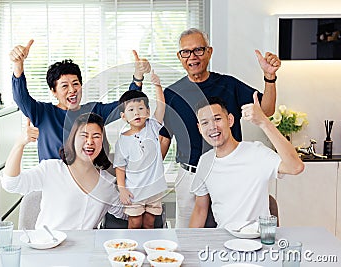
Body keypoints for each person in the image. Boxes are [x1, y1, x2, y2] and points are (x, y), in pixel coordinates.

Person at [159, 28, 281, 228]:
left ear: (209, 52)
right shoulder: (172, 93)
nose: (192, 57)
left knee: (231, 229)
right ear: (179, 56)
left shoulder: (229, 85)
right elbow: (165, 138)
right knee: (188, 234)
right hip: (189, 175)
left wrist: (269, 78)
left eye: (198, 50)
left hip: (228, 172)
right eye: (186, 52)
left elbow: (266, 110)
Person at [9, 39, 150, 161]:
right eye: (64, 86)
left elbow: (127, 105)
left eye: (76, 84)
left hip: (88, 182)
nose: (72, 90)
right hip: (54, 184)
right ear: (54, 92)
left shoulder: (94, 111)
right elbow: (20, 98)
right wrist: (18, 65)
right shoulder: (43, 113)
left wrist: (138, 76)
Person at [189, 94, 304, 228]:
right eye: (205, 123)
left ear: (230, 120)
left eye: (217, 119)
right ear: (199, 129)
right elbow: (200, 210)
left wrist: (264, 122)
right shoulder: (205, 162)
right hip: (225, 240)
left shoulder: (256, 152)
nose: (212, 127)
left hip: (259, 239)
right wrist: (187, 243)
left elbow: (295, 167)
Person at [0, 113, 125, 230]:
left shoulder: (108, 183)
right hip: (48, 248)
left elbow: (126, 212)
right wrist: (19, 144)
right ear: (73, 139)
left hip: (87, 250)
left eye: (96, 136)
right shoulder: (51, 169)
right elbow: (11, 184)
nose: (90, 141)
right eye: (84, 135)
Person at [114, 71, 167, 229]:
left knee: (150, 223)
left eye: (140, 108)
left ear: (148, 112)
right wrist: (122, 190)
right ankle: (132, 252)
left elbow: (161, 106)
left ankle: (147, 251)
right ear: (124, 116)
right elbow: (120, 167)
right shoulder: (122, 140)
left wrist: (157, 86)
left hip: (154, 190)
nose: (136, 113)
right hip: (134, 191)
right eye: (131, 110)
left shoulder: (152, 126)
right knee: (135, 223)